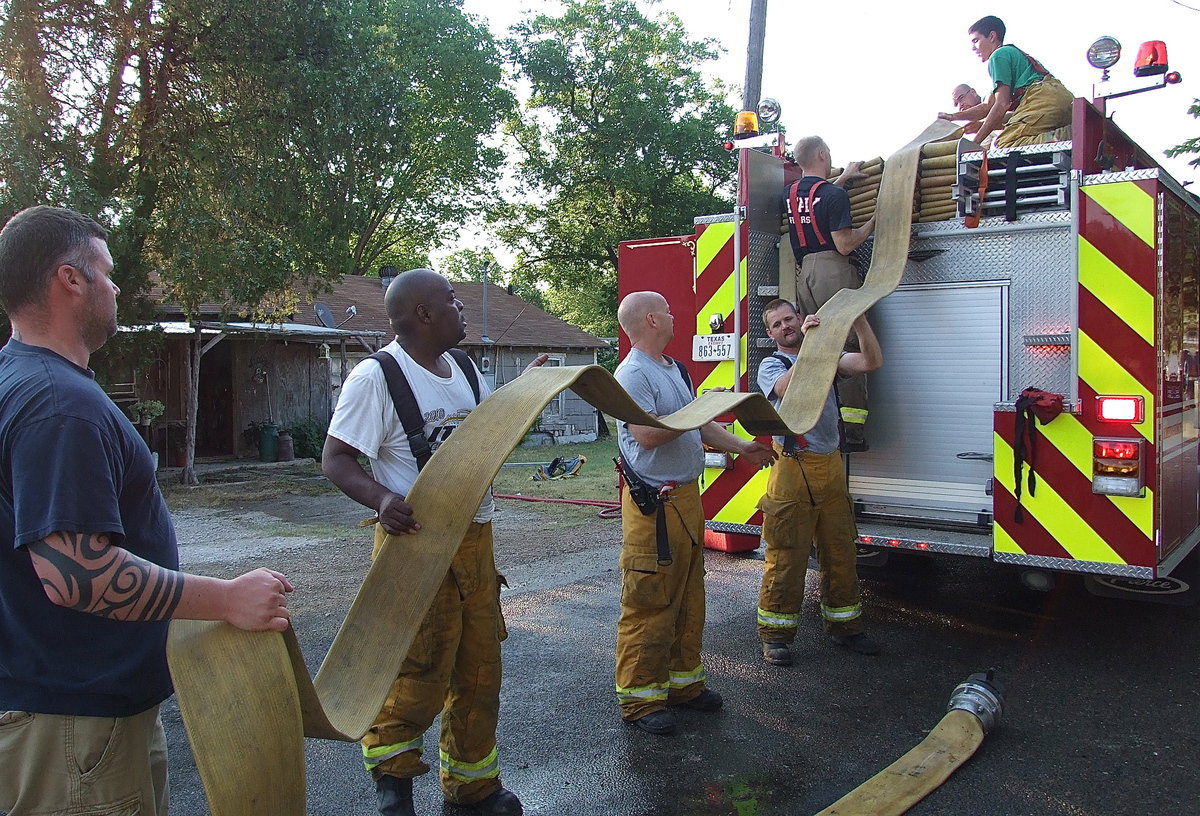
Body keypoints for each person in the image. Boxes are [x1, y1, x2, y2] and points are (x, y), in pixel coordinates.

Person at [0, 205, 294, 816]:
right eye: (105, 273)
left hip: (62, 708)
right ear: (68, 280)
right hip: (77, 728)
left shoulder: (19, 379)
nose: (115, 288)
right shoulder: (60, 406)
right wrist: (228, 598)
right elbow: (75, 574)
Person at [322, 268, 538, 816]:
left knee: (479, 668)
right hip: (415, 548)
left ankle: (472, 788)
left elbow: (485, 437)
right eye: (451, 301)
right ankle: (393, 790)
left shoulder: (465, 369)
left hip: (476, 541)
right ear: (422, 314)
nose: (461, 309)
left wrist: (525, 398)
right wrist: (381, 500)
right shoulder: (377, 377)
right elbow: (336, 459)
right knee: (417, 669)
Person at [613, 291, 776, 736]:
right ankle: (641, 700)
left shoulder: (674, 369)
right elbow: (647, 434)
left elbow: (699, 426)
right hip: (654, 508)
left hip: (684, 500)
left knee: (688, 596)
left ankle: (683, 685)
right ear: (651, 319)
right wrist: (700, 407)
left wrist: (743, 446)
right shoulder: (631, 374)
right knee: (650, 600)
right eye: (667, 310)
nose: (672, 314)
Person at [755, 299, 883, 667]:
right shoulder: (772, 364)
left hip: (829, 466)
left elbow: (871, 362)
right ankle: (775, 637)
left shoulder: (826, 355)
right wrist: (814, 345)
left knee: (841, 551)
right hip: (791, 468)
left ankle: (847, 627)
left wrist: (858, 324)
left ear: (800, 318)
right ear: (770, 333)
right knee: (786, 556)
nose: (784, 327)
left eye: (788, 319)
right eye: (776, 324)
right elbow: (781, 389)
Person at [785, 135, 877, 451]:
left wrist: (844, 178)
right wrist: (873, 224)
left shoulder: (791, 193)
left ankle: (818, 422)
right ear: (823, 154)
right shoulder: (834, 195)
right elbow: (845, 243)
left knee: (817, 344)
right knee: (849, 343)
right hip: (833, 270)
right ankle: (852, 432)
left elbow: (815, 200)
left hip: (805, 272)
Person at [938, 15, 1073, 148]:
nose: (973, 48)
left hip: (1042, 98)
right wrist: (952, 116)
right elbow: (987, 107)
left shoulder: (998, 56)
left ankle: (1064, 136)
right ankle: (1068, 131)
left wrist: (974, 144)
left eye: (975, 41)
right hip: (1062, 100)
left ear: (992, 36)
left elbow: (1001, 105)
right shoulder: (1010, 54)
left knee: (1005, 143)